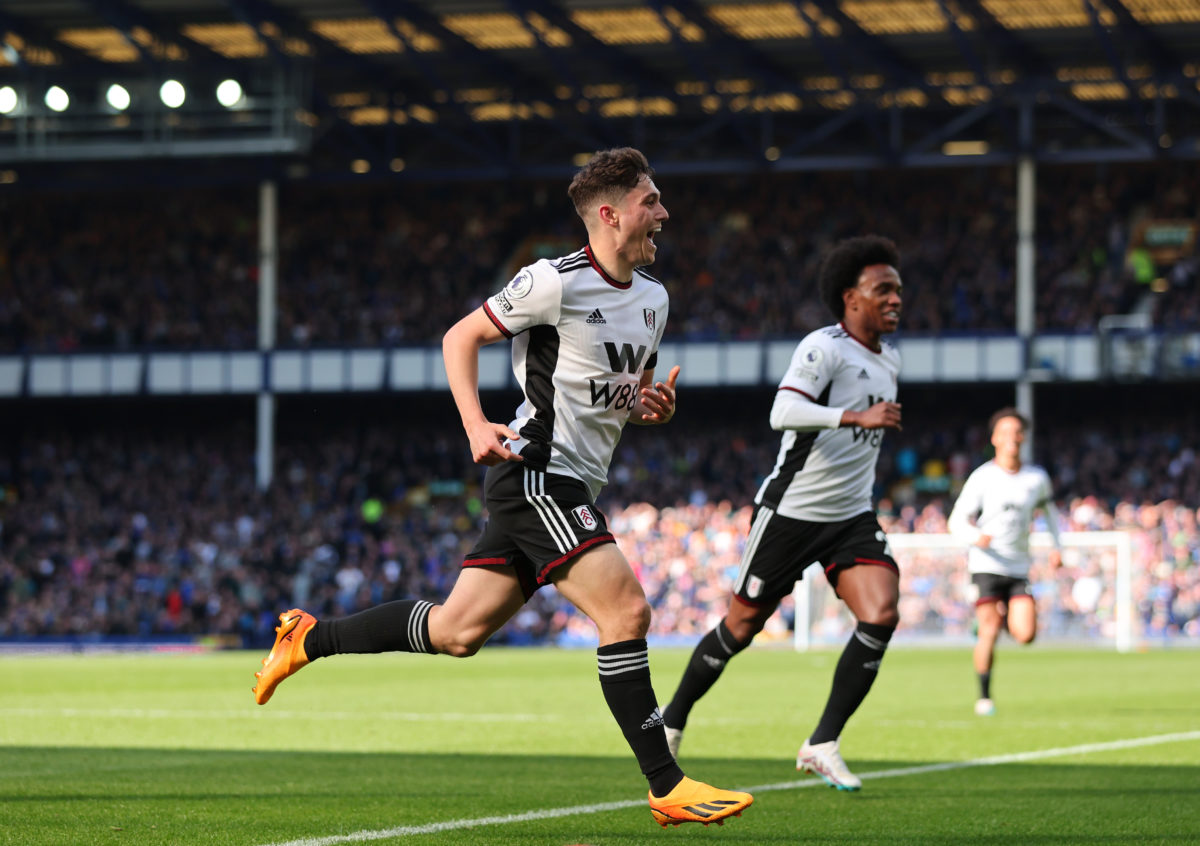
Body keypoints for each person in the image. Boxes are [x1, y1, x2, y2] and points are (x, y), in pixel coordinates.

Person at [251, 148, 752, 828]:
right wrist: (473, 424)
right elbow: (460, 337)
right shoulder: (553, 281)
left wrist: (646, 406)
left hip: (572, 482)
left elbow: (612, 393)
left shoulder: (655, 299)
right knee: (626, 612)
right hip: (534, 474)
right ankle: (666, 784)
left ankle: (309, 637)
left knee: (457, 632)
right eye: (650, 202)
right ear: (609, 215)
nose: (664, 214)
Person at [661, 235, 904, 792]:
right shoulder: (824, 347)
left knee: (882, 612)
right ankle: (671, 721)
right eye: (882, 289)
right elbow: (783, 410)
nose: (895, 299)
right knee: (741, 627)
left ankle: (822, 743)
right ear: (851, 297)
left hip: (850, 516)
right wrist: (853, 418)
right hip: (791, 512)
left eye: (897, 289)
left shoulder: (890, 357)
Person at [948, 407, 1062, 716]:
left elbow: (1050, 514)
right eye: (1005, 432)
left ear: (1023, 437)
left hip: (1018, 566)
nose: (1012, 438)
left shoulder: (1035, 478)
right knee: (988, 631)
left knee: (1025, 634)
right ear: (995, 438)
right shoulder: (983, 477)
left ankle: (1004, 617)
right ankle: (984, 697)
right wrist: (976, 536)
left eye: (1017, 432)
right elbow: (956, 521)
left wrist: (1057, 546)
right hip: (986, 564)